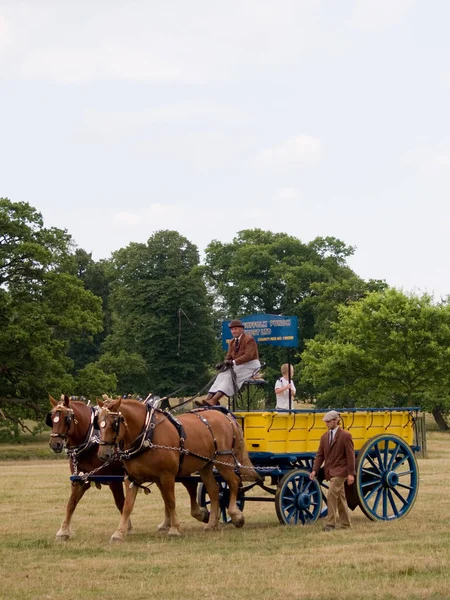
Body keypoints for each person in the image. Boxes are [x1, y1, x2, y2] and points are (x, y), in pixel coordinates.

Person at [195, 319, 260, 407]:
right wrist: (223, 363)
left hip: (251, 365)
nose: (234, 331)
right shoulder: (232, 342)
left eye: (236, 329)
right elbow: (228, 356)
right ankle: (208, 399)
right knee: (221, 374)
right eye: (232, 329)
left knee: (230, 376)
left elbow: (248, 355)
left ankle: (214, 400)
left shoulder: (249, 339)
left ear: (242, 329)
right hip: (238, 365)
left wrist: (233, 362)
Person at [310, 410, 355, 531]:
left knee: (331, 493)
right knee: (340, 497)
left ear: (336, 421)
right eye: (325, 421)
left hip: (342, 471)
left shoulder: (346, 436)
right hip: (330, 471)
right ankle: (346, 524)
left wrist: (351, 473)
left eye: (329, 421)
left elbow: (350, 456)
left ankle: (330, 523)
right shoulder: (324, 437)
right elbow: (320, 455)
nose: (326, 424)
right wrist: (314, 470)